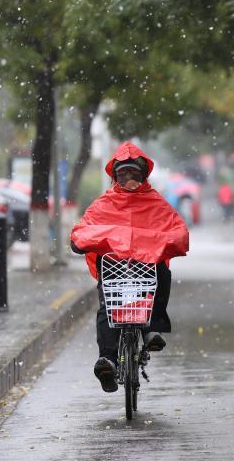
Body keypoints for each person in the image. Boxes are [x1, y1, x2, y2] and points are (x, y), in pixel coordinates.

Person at [70, 142, 189, 393]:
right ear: (115, 177)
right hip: (115, 270)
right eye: (123, 174)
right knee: (108, 308)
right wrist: (81, 241)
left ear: (143, 176)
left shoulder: (155, 201)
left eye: (134, 173)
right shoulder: (105, 203)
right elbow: (83, 228)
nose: (129, 179)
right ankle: (108, 361)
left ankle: (152, 330)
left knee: (162, 274)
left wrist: (167, 242)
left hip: (146, 269)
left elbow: (178, 229)